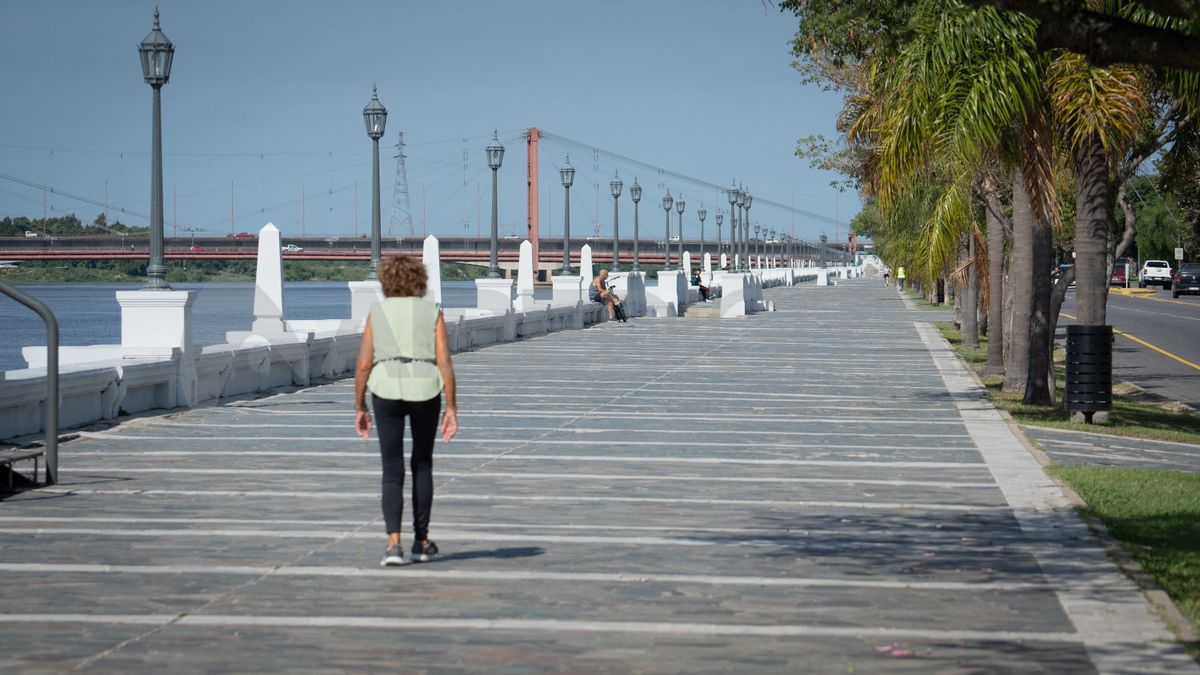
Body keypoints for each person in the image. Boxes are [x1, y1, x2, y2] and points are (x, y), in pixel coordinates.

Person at [355, 256, 458, 567]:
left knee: (391, 468)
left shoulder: (377, 312)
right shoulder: (432, 312)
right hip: (425, 388)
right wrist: (451, 407)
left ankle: (393, 545)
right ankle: (422, 542)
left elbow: (362, 364)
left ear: (386, 280)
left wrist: (360, 405)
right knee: (422, 465)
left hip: (385, 389)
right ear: (419, 280)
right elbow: (444, 362)